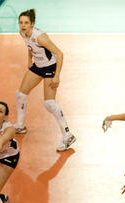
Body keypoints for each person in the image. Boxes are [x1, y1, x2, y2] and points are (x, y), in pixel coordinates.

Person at [14, 9, 76, 152]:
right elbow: (29, 46)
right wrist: (29, 60)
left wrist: (57, 76)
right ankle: (20, 125)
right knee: (20, 94)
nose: (23, 25)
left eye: (26, 23)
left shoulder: (40, 37)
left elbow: (60, 54)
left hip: (50, 67)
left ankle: (68, 135)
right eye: (21, 22)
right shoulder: (22, 33)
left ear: (32, 24)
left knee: (49, 103)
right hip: (38, 66)